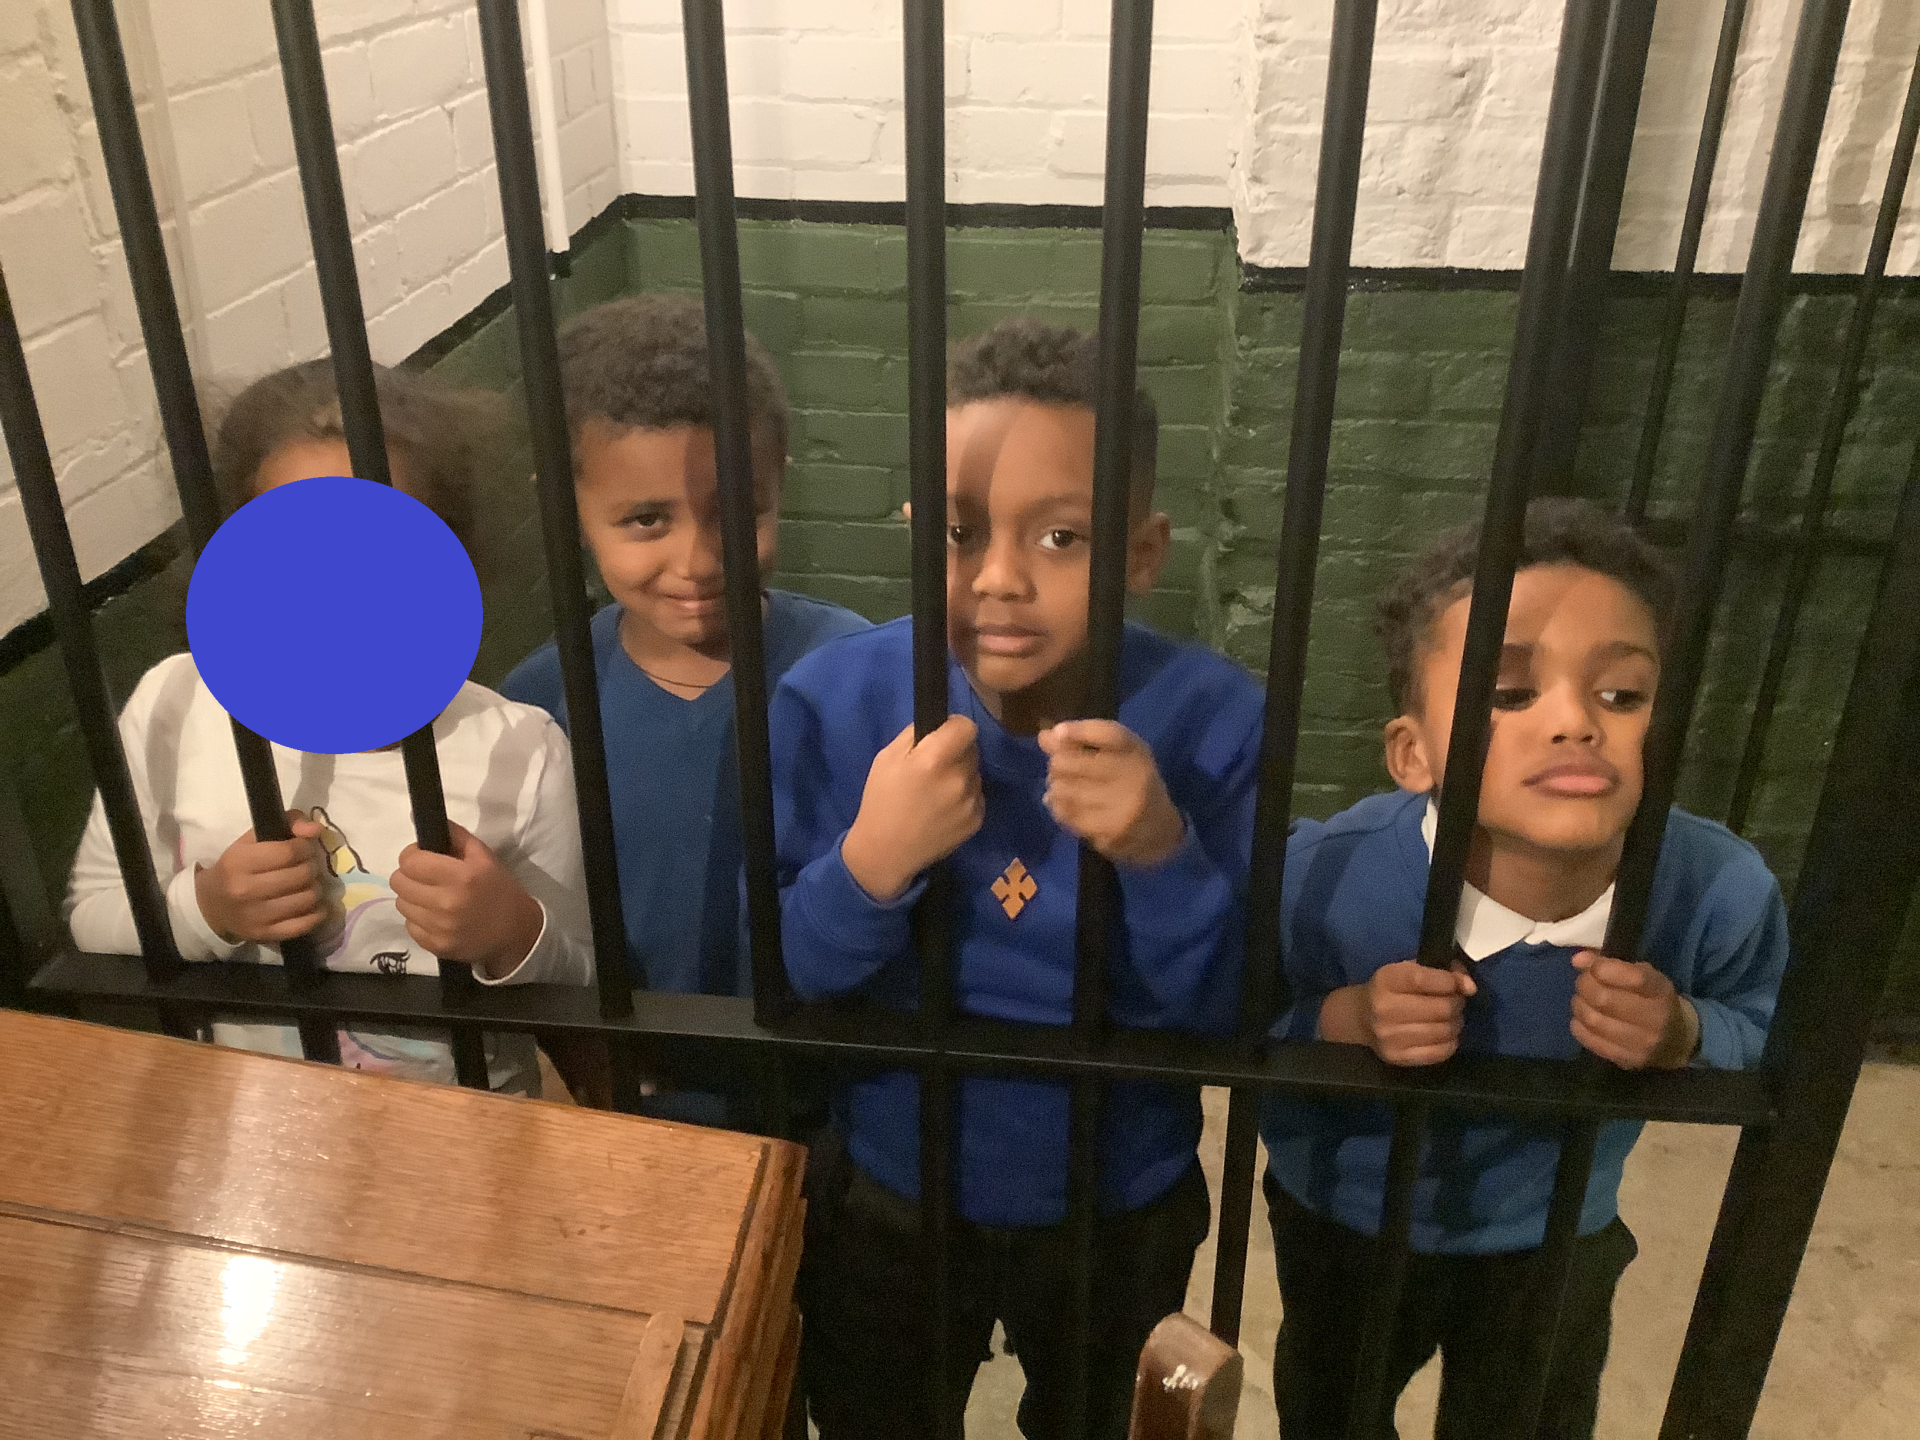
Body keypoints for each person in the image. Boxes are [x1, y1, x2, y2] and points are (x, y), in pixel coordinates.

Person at [772, 318, 1265, 1438]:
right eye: (959, 532)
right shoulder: (840, 699)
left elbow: (1238, 1015)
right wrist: (873, 860)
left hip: (1118, 1197)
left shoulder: (1216, 720)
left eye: (1060, 537)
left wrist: (1163, 853)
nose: (998, 579)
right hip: (894, 1184)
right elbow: (795, 976)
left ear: (1144, 553)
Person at [1260, 497, 1790, 1439]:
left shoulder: (1717, 888)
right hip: (1342, 1219)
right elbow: (1231, 1021)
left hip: (1558, 1229)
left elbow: (1777, 1040)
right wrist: (1346, 1019)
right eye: (1509, 694)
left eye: (1621, 695)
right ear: (1412, 753)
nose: (1576, 723)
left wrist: (1685, 1032)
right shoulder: (1324, 875)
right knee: (1330, 1411)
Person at [66, 360, 592, 1095]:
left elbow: (582, 980)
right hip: (246, 1121)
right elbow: (92, 915)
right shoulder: (173, 703)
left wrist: (510, 931)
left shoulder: (520, 748)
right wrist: (208, 907)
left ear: (451, 561)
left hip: (467, 1127)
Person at [500, 294, 868, 1119]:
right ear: (566, 507)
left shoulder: (858, 676)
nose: (699, 560)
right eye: (645, 520)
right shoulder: (538, 703)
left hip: (832, 1092)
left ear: (778, 483)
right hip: (623, 1092)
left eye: (737, 511)